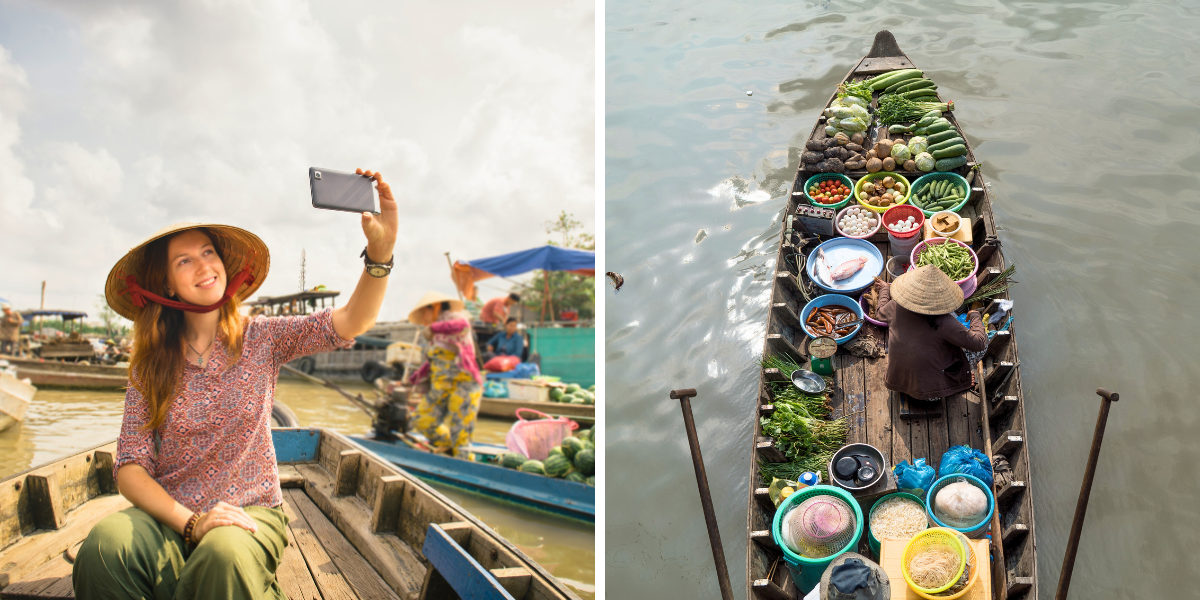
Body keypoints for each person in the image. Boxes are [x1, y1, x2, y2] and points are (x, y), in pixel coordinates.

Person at [72, 168, 398, 600]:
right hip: (170, 518)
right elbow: (130, 465)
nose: (204, 266)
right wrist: (190, 522)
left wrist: (380, 255)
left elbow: (350, 321)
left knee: (222, 555)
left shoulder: (261, 338)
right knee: (103, 549)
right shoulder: (149, 364)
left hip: (249, 514)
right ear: (166, 283)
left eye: (209, 253)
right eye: (184, 260)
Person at [875, 265, 987, 400]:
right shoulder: (944, 321)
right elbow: (979, 343)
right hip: (931, 394)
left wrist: (885, 290)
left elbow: (879, 312)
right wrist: (975, 316)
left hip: (896, 381)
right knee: (984, 340)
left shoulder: (895, 307)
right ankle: (957, 378)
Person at [406, 291, 483, 459]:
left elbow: (463, 325)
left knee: (460, 434)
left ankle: (462, 460)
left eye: (424, 312)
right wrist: (410, 381)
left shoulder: (453, 317)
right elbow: (430, 364)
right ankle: (447, 448)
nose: (424, 317)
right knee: (421, 419)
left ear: (435, 307)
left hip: (463, 385)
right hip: (441, 388)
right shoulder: (436, 336)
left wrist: (432, 328)